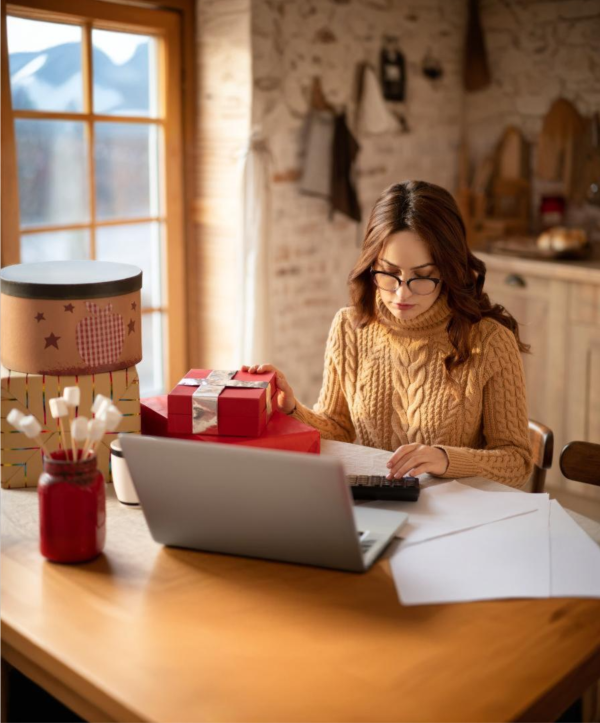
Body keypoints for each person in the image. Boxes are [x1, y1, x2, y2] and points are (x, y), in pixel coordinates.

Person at [243, 180, 533, 488]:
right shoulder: (349, 328)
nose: (401, 293)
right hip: (376, 506)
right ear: (372, 264)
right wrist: (292, 409)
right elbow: (339, 429)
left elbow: (517, 461)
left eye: (422, 277)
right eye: (389, 273)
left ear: (448, 271)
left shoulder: (489, 341)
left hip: (457, 515)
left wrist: (446, 459)